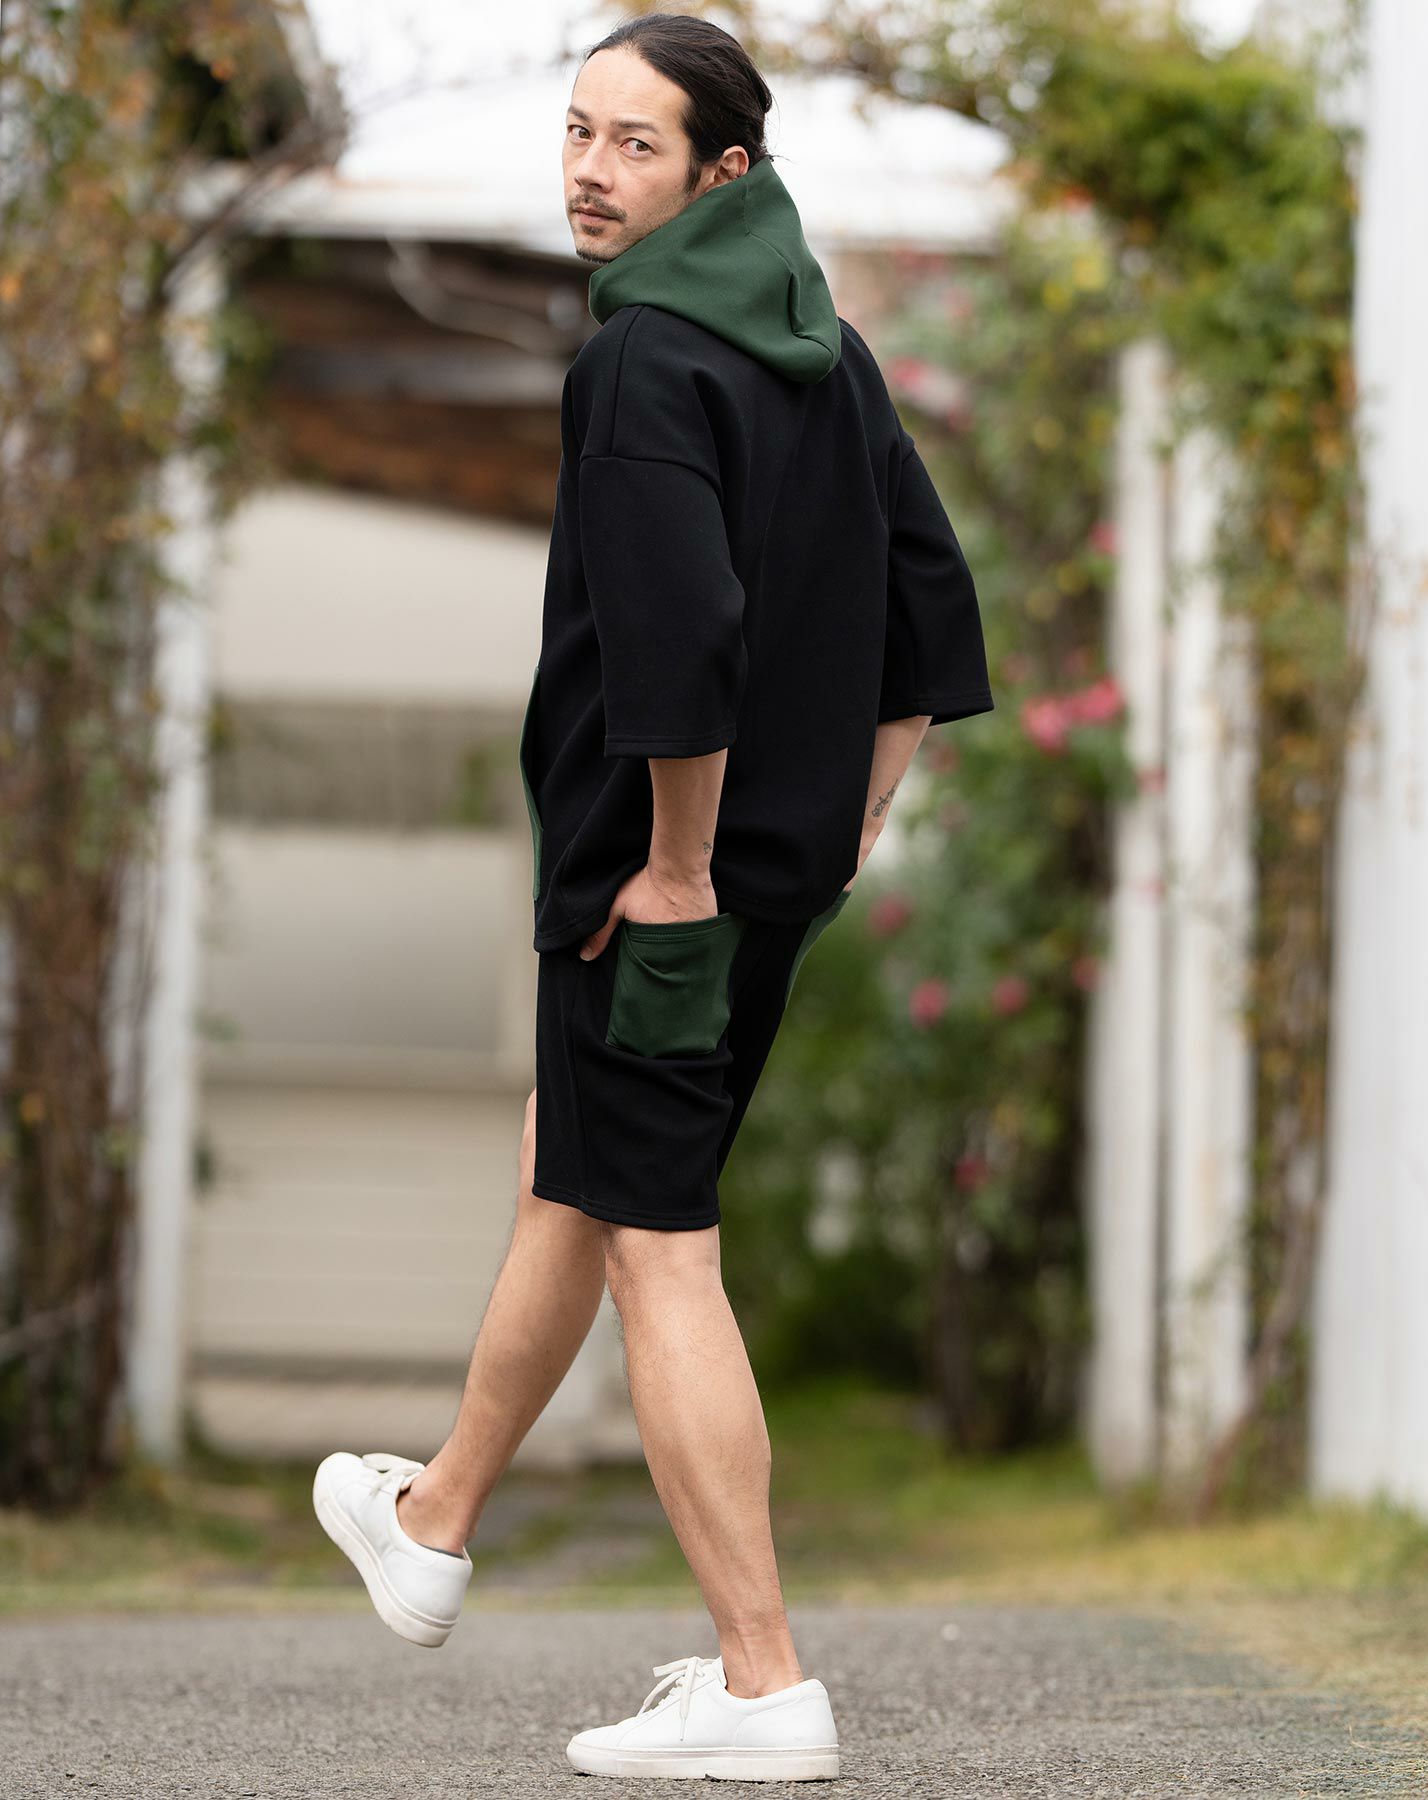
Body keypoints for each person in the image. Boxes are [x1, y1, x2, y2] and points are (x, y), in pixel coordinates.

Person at [312, 11, 992, 1782]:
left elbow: (680, 644)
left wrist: (680, 865)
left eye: (635, 144)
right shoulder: (830, 357)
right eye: (578, 131)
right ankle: (436, 1526)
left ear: (722, 172)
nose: (591, 171)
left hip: (653, 896)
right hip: (758, 886)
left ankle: (763, 1683)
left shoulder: (643, 367)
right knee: (587, 1168)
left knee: (663, 1254)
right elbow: (932, 627)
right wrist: (842, 826)